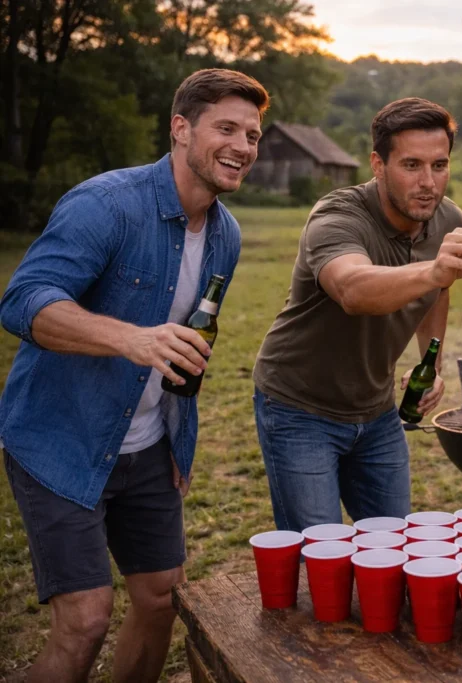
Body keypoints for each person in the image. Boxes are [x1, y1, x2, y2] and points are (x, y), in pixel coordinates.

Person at [0, 69, 268, 683]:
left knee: (159, 599)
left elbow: (187, 353)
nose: (242, 146)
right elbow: (22, 300)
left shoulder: (225, 234)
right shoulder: (106, 204)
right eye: (225, 128)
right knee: (87, 620)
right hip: (62, 438)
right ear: (180, 128)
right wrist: (129, 338)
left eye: (252, 134)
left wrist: (180, 437)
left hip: (149, 446)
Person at [252, 97, 462, 531]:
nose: (428, 182)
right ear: (377, 164)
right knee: (324, 554)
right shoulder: (336, 217)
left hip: (376, 410)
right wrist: (435, 269)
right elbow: (353, 289)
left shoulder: (448, 221)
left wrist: (432, 364)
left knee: (394, 548)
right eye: (411, 165)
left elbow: (438, 290)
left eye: (439, 166)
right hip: (299, 408)